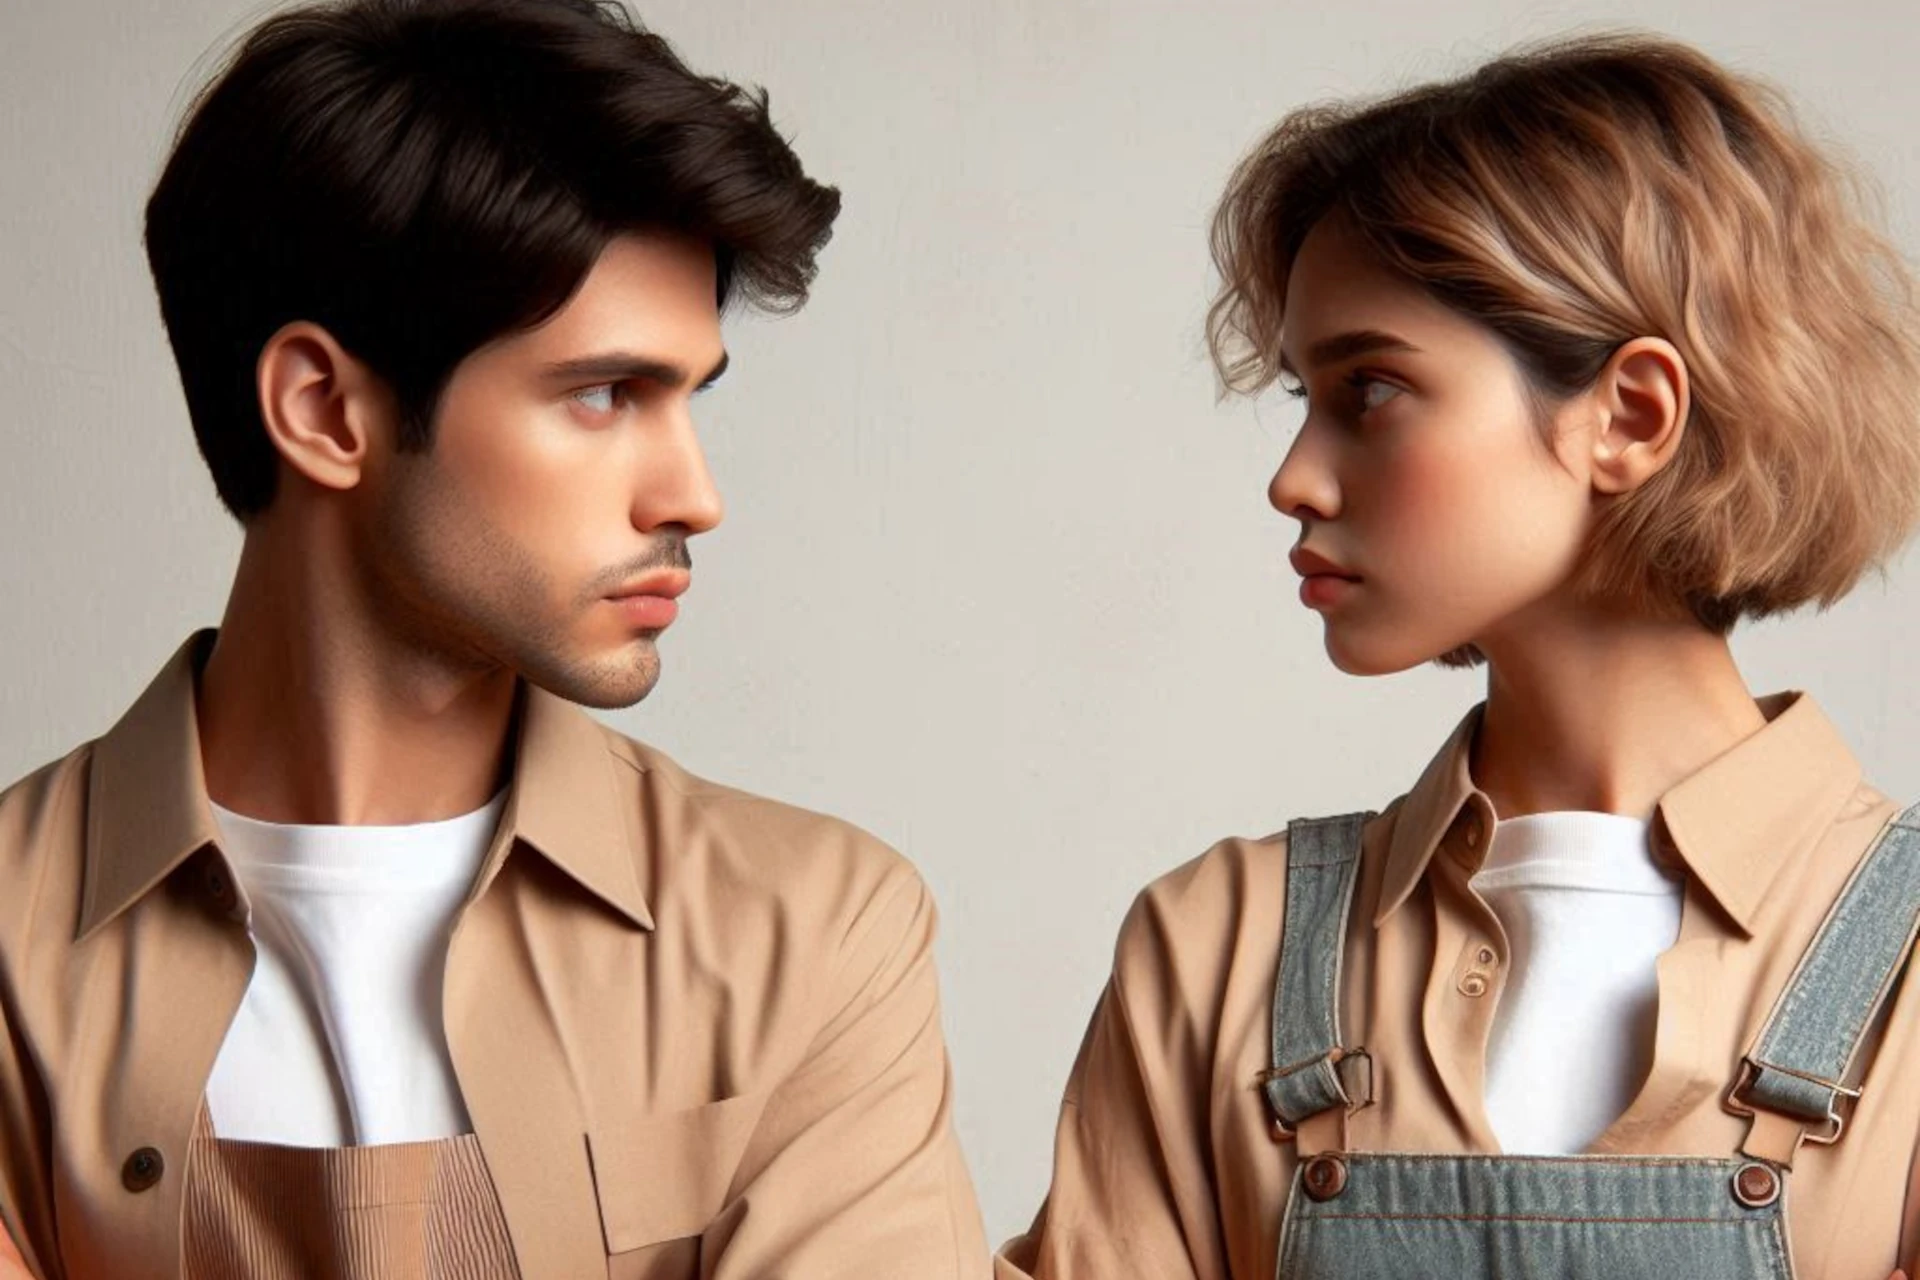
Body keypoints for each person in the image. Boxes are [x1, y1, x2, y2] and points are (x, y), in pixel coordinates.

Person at [0, 1, 988, 1276]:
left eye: (689, 397)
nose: (693, 493)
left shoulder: (809, 932)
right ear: (323, 411)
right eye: (603, 393)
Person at [999, 33, 1920, 1280]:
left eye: (1370, 389)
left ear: (1630, 415)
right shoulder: (1222, 946)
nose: (1292, 478)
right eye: (1300, 401)